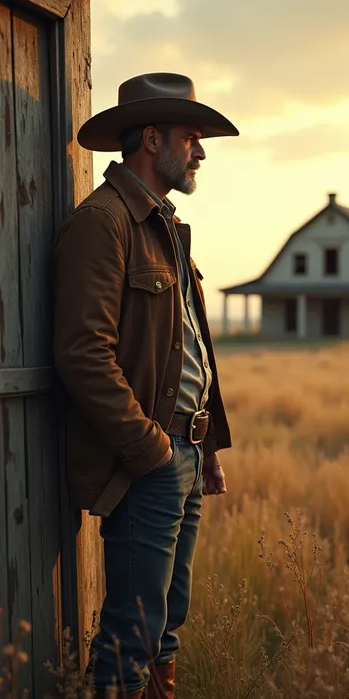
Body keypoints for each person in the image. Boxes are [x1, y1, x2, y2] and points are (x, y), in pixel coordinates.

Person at [53, 72, 239, 698]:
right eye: (192, 138)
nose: (202, 152)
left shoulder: (163, 225)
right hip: (148, 461)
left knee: (164, 631)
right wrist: (152, 452)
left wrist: (204, 444)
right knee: (132, 635)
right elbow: (83, 354)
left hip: (182, 454)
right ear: (151, 139)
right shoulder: (103, 224)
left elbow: (186, 346)